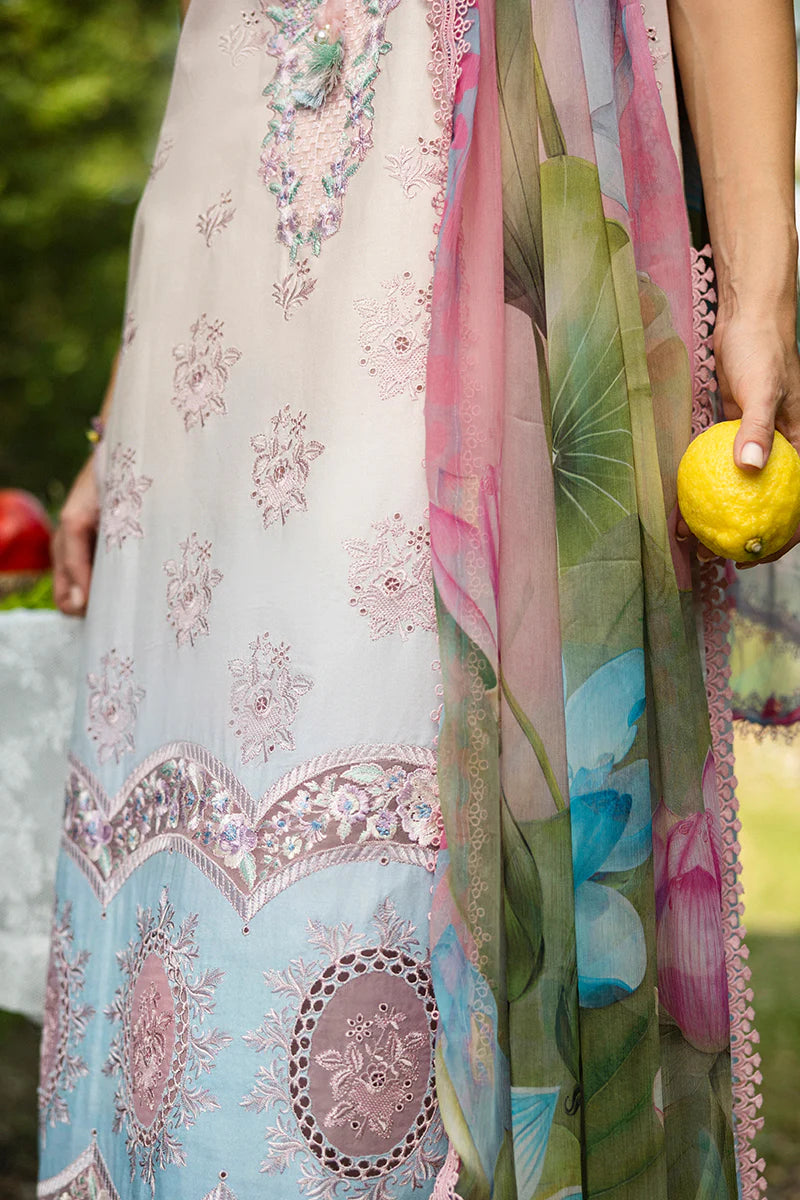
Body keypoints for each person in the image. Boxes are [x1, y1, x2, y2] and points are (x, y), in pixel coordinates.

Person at [40, 0, 798, 1196]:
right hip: (218, 281)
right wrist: (125, 400)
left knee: (427, 768)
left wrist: (759, 291)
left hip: (463, 207)